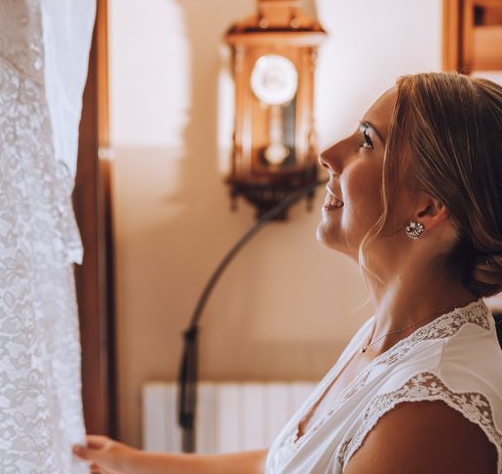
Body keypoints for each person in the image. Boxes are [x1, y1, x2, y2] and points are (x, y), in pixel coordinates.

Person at [71, 72, 502, 473]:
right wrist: (129, 461)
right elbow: (285, 462)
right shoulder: (391, 339)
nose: (328, 155)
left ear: (427, 208)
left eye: (367, 142)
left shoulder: (433, 406)